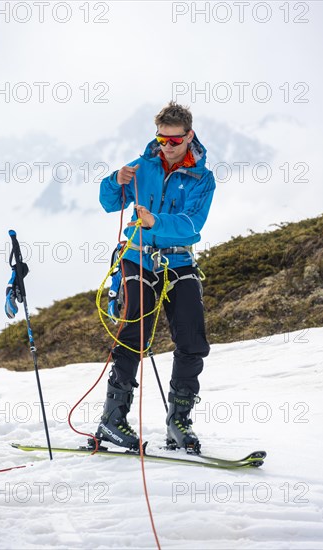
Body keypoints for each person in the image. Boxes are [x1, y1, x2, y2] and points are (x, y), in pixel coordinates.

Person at [96, 101, 216, 453]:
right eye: (161, 139)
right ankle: (112, 418)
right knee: (133, 332)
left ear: (189, 136)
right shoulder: (141, 165)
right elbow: (108, 202)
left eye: (174, 141)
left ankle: (178, 422)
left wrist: (156, 223)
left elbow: (193, 226)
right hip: (137, 258)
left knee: (192, 338)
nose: (167, 146)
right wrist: (113, 181)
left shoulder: (202, 178)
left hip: (178, 261)